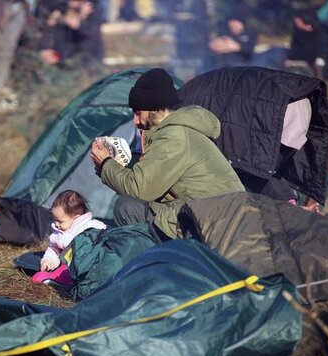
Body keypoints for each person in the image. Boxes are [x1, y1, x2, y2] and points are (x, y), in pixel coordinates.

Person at [90, 68, 245, 241]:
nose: (135, 121)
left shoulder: (174, 137)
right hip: (216, 217)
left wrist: (106, 164)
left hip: (214, 224)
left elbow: (139, 189)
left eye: (138, 113)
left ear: (154, 109)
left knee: (127, 207)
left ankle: (152, 266)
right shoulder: (177, 132)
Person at [32, 190, 106, 285]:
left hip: (90, 264)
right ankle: (61, 278)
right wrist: (48, 261)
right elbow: (53, 250)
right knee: (54, 271)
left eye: (60, 221)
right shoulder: (58, 235)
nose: (56, 224)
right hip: (67, 266)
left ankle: (64, 279)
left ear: (75, 218)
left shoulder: (91, 226)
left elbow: (106, 233)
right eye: (55, 220)